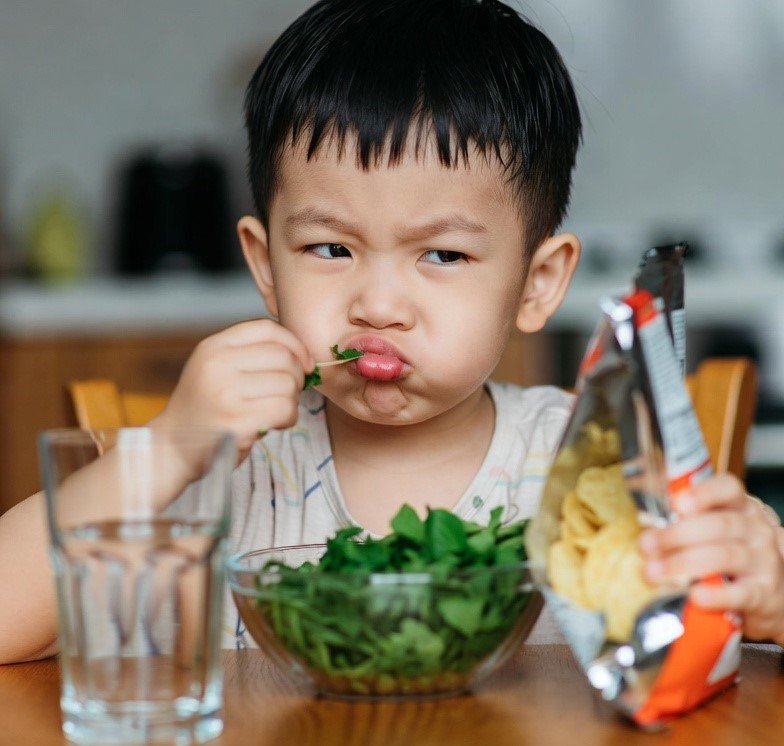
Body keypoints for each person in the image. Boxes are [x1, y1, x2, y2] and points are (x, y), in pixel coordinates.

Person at [1, 0, 782, 664]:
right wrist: (170, 446)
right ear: (265, 266)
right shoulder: (223, 472)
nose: (378, 305)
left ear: (536, 284)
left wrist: (767, 595)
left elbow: (721, 626)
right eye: (329, 249)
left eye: (442, 254)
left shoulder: (587, 465)